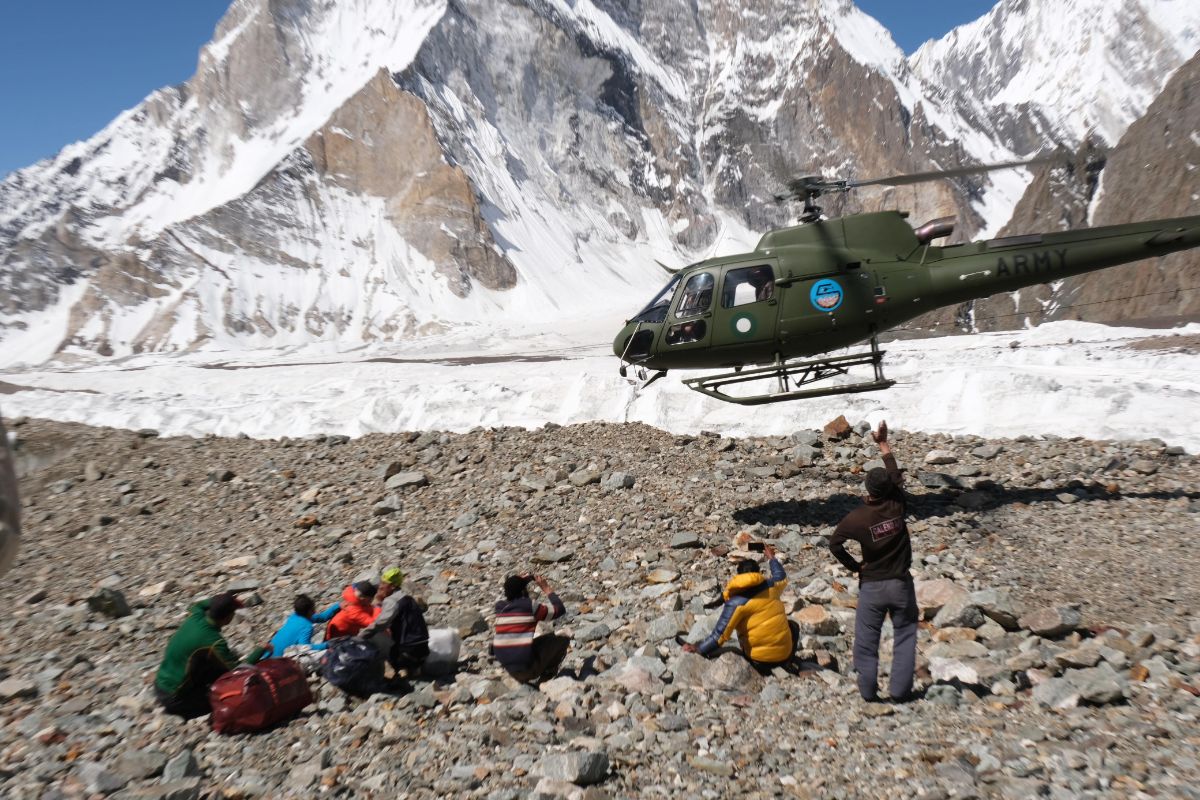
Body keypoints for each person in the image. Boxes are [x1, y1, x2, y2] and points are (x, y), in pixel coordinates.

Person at [829, 420, 918, 702]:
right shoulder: (897, 505)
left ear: (867, 489)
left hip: (873, 586)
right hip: (901, 584)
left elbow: (835, 544)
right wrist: (883, 444)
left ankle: (868, 692)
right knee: (905, 636)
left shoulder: (856, 519)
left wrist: (855, 567)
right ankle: (900, 692)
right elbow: (895, 476)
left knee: (866, 642)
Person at [683, 545, 798, 673]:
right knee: (793, 626)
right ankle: (788, 663)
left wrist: (698, 649)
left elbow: (719, 636)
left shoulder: (736, 602)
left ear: (738, 576)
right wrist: (771, 557)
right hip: (785, 655)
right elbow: (780, 575)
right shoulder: (773, 587)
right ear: (759, 573)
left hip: (759, 662)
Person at [154, 592, 265, 718]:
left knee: (211, 663)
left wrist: (221, 600)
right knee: (229, 697)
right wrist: (260, 650)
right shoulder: (214, 642)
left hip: (159, 684)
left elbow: (198, 605)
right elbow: (237, 669)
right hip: (175, 698)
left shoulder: (195, 616)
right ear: (228, 617)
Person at [493, 573, 569, 683]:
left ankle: (522, 678)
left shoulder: (500, 607)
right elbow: (560, 609)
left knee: (546, 638)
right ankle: (547, 676)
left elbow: (509, 590)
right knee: (562, 639)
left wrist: (521, 581)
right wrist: (546, 588)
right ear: (524, 591)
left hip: (509, 669)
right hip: (526, 669)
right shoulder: (529, 606)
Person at [358, 567, 430, 675]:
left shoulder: (392, 601)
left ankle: (398, 668)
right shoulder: (407, 598)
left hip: (408, 651)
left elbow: (380, 623)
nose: (380, 586)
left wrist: (359, 637)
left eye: (383, 583)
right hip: (423, 650)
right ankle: (412, 667)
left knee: (373, 634)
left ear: (392, 586)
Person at [264, 593, 340, 666]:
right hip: (278, 661)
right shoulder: (307, 627)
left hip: (267, 655)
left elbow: (322, 617)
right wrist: (326, 645)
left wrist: (338, 605)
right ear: (310, 611)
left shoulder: (294, 617)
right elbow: (304, 647)